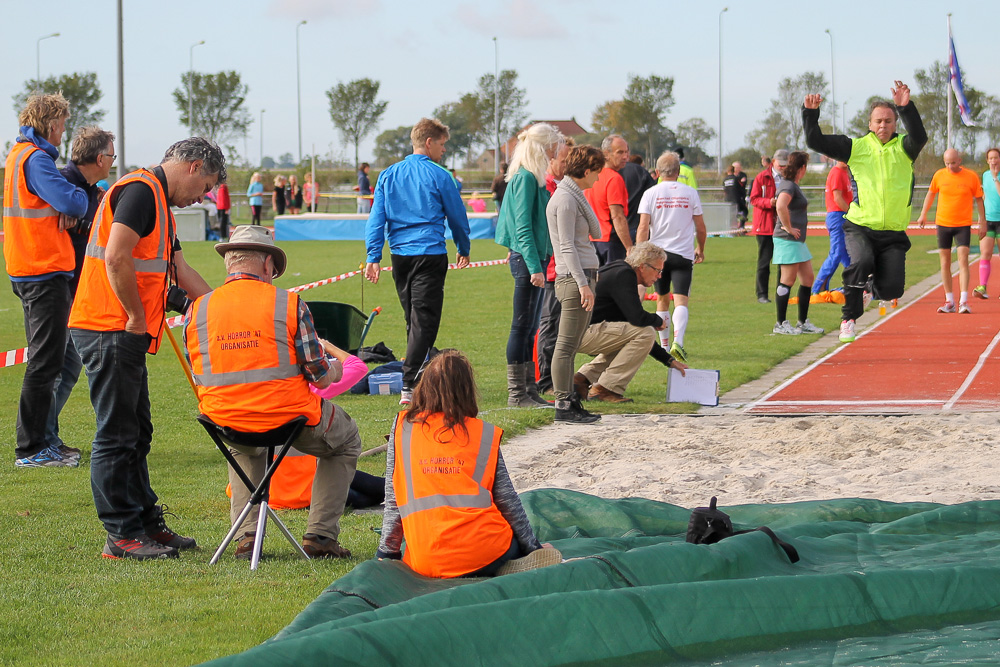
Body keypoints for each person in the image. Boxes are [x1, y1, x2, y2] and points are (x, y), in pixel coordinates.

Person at [68, 137, 224, 560]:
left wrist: (227, 310)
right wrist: (136, 317)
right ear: (193, 166)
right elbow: (117, 257)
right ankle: (121, 534)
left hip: (122, 331)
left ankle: (146, 522)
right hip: (110, 328)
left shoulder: (158, 201)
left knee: (137, 432)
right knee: (118, 435)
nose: (202, 198)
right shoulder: (141, 191)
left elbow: (179, 268)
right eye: (206, 186)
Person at [184, 225, 360, 560]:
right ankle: (320, 537)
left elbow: (198, 372)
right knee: (346, 441)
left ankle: (248, 537)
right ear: (267, 265)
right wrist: (337, 367)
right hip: (289, 419)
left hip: (225, 421)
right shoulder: (289, 304)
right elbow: (321, 378)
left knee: (244, 448)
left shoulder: (198, 309)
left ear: (229, 264)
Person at [376, 350, 561, 578]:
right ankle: (510, 564)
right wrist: (534, 548)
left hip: (427, 560)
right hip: (485, 551)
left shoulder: (403, 428)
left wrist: (386, 552)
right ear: (467, 391)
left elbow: (393, 499)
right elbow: (508, 501)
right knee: (508, 537)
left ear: (423, 387)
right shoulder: (482, 433)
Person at [803, 82, 928, 343]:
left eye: (889, 121)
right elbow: (814, 140)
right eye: (878, 121)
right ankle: (848, 319)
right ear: (870, 124)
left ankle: (869, 288)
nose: (883, 125)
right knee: (860, 262)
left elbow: (920, 135)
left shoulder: (905, 149)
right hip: (860, 225)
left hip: (893, 232)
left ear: (895, 124)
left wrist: (905, 107)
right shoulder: (855, 148)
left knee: (892, 289)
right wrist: (811, 113)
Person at [5, 93, 90, 468]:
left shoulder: (17, 154)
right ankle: (32, 449)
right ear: (52, 124)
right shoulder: (37, 159)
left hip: (29, 267)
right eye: (63, 124)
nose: (64, 130)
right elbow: (75, 202)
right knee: (45, 362)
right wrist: (71, 204)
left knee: (51, 359)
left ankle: (44, 442)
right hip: (42, 270)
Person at [364, 118, 471, 406]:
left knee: (414, 318)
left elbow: (377, 218)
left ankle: (419, 375)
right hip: (430, 253)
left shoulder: (388, 174)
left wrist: (373, 255)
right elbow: (457, 216)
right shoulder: (440, 175)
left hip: (400, 257)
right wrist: (463, 245)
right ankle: (409, 383)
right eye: (442, 144)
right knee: (424, 321)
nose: (444, 150)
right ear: (428, 142)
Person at [43, 126, 117, 462]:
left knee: (67, 367)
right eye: (112, 156)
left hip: (74, 291)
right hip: (58, 289)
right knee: (56, 368)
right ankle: (41, 439)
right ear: (100, 158)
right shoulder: (65, 186)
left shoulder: (87, 190)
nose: (113, 162)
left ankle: (46, 436)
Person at [495, 123, 562, 408]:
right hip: (527, 259)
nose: (555, 152)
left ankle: (529, 389)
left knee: (530, 327)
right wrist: (535, 266)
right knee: (521, 326)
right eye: (552, 147)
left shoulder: (531, 178)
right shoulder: (524, 179)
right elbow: (522, 227)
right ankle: (517, 394)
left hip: (535, 257)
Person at [574, 242, 688, 403]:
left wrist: (669, 360)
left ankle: (581, 380)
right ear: (642, 266)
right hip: (580, 333)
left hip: (577, 331)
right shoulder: (623, 275)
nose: (660, 276)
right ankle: (605, 389)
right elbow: (638, 318)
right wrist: (657, 320)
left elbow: (634, 323)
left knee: (637, 334)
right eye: (658, 270)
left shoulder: (620, 270)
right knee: (646, 332)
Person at [547, 145, 605, 424]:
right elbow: (567, 246)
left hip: (581, 275)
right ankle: (563, 404)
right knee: (566, 345)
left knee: (571, 344)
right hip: (573, 279)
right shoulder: (566, 199)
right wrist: (583, 284)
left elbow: (595, 230)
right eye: (596, 172)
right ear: (585, 171)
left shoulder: (573, 195)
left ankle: (569, 401)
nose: (598, 178)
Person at [636, 151, 707, 363]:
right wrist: (701, 248)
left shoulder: (651, 193)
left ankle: (665, 346)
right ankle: (680, 342)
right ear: (678, 172)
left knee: (662, 299)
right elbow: (701, 227)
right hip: (683, 254)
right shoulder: (690, 192)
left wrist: (640, 254)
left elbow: (643, 226)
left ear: (657, 172)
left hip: (658, 256)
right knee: (682, 300)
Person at [917, 148, 985, 314]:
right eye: (947, 163)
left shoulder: (971, 176)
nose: (950, 166)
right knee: (945, 262)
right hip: (943, 224)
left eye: (953, 163)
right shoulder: (939, 175)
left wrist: (982, 220)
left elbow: (979, 199)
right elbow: (931, 194)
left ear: (959, 160)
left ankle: (963, 301)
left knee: (963, 260)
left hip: (962, 224)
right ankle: (949, 301)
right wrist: (923, 214)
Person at [537, 139, 575, 393]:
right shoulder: (546, 187)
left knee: (562, 328)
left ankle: (561, 382)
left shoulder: (564, 187)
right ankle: (547, 383)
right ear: (550, 160)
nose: (567, 165)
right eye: (563, 160)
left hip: (563, 267)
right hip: (551, 269)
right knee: (550, 326)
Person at [771, 151, 824, 335]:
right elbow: (780, 205)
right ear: (802, 168)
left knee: (808, 278)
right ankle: (780, 323)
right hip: (788, 240)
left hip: (798, 241)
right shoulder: (788, 186)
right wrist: (788, 227)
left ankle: (803, 322)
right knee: (787, 280)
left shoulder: (793, 185)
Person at [749, 149, 789, 304]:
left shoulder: (789, 178)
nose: (783, 168)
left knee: (783, 263)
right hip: (765, 225)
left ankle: (782, 292)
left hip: (783, 225)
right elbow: (754, 199)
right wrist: (769, 202)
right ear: (773, 162)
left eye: (786, 165)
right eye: (781, 164)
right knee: (764, 261)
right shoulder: (761, 177)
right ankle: (762, 294)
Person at [586, 135, 632, 265]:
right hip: (609, 241)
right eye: (620, 152)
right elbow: (617, 216)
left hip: (591, 239)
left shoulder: (592, 175)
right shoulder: (614, 178)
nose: (625, 157)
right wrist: (629, 247)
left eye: (626, 152)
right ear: (606, 154)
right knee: (614, 283)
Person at [813, 161, 853, 296]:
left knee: (847, 255)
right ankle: (817, 289)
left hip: (842, 215)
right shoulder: (837, 173)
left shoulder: (845, 172)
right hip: (838, 215)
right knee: (836, 254)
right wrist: (852, 214)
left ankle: (856, 285)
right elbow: (837, 198)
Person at [976, 148, 1000, 298]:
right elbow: (984, 196)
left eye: (996, 158)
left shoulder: (994, 176)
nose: (993, 161)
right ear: (987, 160)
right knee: (985, 253)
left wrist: (995, 177)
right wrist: (981, 219)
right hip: (989, 219)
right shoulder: (984, 175)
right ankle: (982, 287)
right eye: (990, 158)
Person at [620, 154, 656, 242]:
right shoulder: (641, 172)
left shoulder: (612, 172)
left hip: (615, 229)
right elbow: (652, 194)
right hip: (637, 224)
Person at [733, 161, 749, 229]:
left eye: (739, 167)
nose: (738, 169)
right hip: (733, 197)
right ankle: (734, 226)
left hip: (741, 197)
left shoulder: (743, 175)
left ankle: (741, 226)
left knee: (744, 211)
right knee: (733, 212)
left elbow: (743, 184)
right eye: (736, 167)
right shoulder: (731, 176)